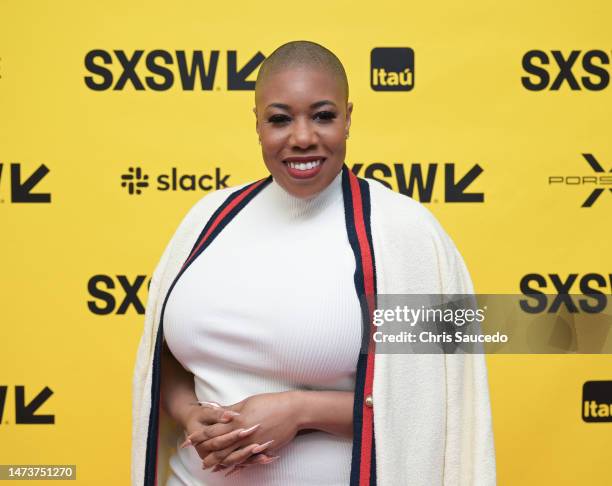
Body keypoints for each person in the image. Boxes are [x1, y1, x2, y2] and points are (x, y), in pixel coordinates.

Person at [131, 40, 496, 486]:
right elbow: (165, 360)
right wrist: (189, 413)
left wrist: (301, 411)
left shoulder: (405, 235)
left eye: (323, 116)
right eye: (280, 119)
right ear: (258, 123)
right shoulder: (207, 219)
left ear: (348, 118)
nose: (302, 137)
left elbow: (439, 402)